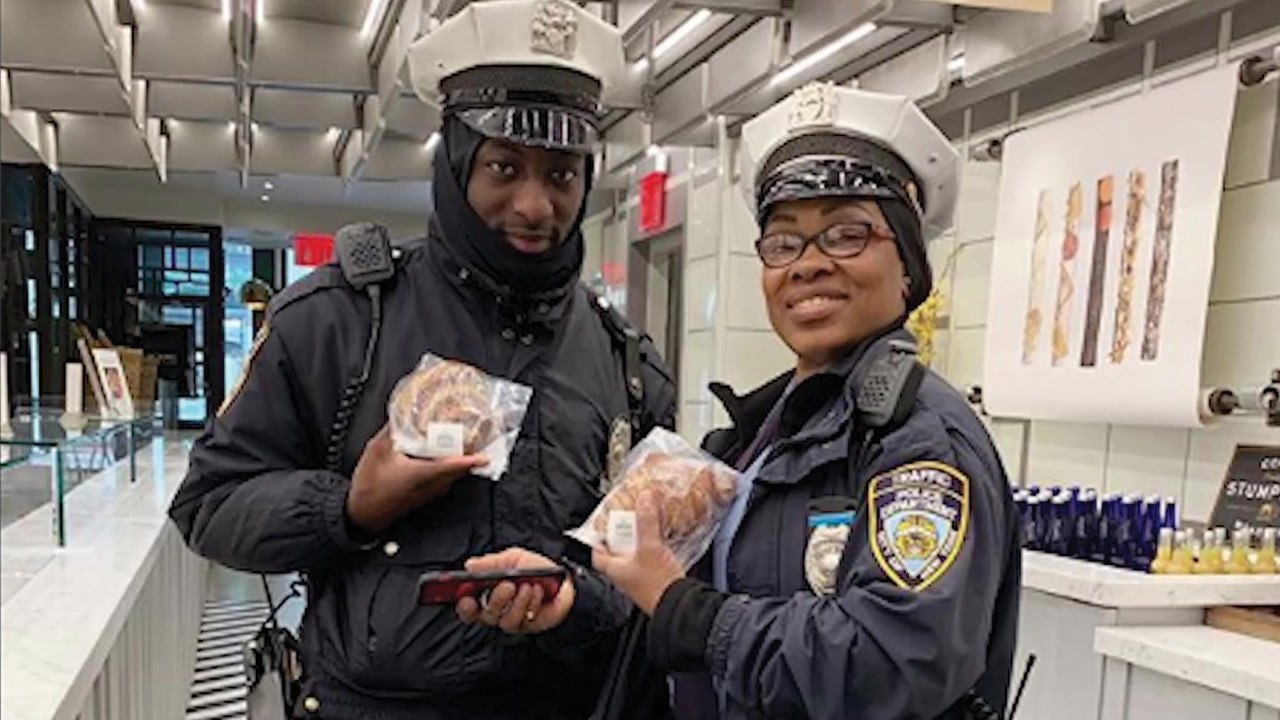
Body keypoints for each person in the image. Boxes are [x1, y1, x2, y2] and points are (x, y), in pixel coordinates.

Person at [167, 1, 676, 718]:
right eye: (504, 167)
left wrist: (576, 599)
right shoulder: (337, 320)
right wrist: (349, 505)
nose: (535, 205)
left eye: (561, 174)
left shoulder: (627, 365)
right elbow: (209, 505)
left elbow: (652, 571)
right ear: (456, 161)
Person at [593, 82, 1022, 720]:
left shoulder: (919, 441)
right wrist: (572, 595)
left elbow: (894, 660)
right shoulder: (757, 438)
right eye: (784, 242)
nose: (808, 264)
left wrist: (690, 613)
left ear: (907, 265)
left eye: (847, 234)